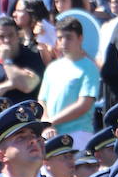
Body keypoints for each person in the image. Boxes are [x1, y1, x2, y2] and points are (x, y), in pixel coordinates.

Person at [37, 18, 99, 148]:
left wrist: (50, 122)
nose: (64, 42)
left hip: (78, 134)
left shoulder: (89, 67)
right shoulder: (52, 68)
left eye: (69, 37)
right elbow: (42, 101)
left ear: (80, 38)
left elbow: (84, 105)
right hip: (51, 134)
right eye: (60, 38)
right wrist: (47, 124)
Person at [0, 16, 43, 105]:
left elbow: (27, 86)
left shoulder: (32, 57)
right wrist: (9, 85)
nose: (6, 40)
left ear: (18, 36)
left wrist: (6, 61)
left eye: (11, 35)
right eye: (1, 37)